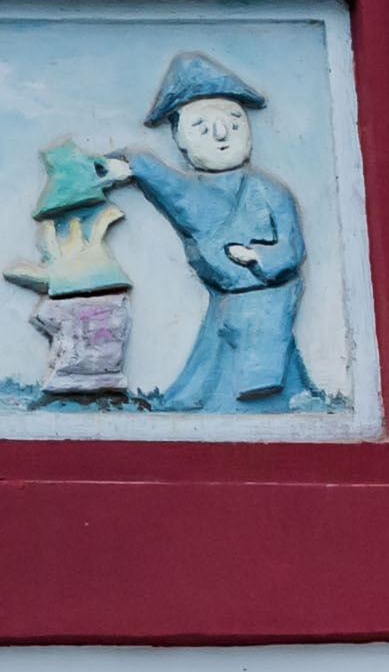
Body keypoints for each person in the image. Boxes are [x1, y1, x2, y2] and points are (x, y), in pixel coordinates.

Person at [88, 53, 318, 412]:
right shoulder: (199, 191)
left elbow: (292, 246)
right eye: (201, 127)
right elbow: (186, 200)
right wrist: (133, 167)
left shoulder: (269, 191)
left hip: (265, 299)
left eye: (234, 122)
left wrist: (259, 257)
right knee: (211, 369)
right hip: (226, 303)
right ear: (179, 138)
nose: (222, 134)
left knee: (259, 372)